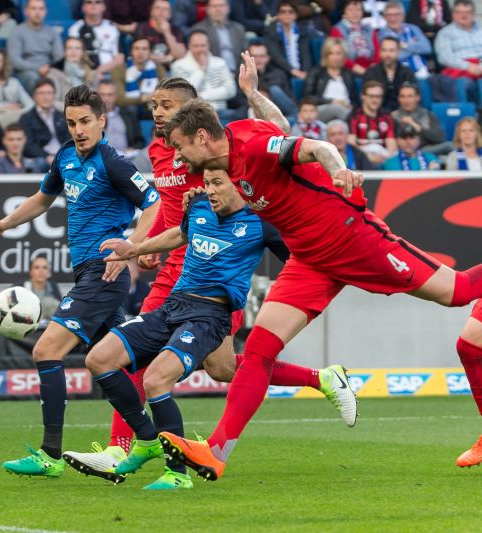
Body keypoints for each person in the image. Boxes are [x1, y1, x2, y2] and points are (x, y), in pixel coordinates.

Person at [158, 51, 482, 481]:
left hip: (351, 238)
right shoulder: (239, 137)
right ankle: (215, 451)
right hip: (308, 259)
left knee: (456, 292)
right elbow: (282, 126)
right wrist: (252, 93)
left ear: (201, 137)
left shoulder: (250, 146)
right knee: (259, 350)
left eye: (179, 147)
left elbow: (315, 146)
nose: (177, 158)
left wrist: (340, 168)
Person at [63, 79, 356, 482]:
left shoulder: (216, 152)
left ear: (193, 116)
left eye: (167, 106)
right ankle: (321, 379)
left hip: (214, 276)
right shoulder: (157, 150)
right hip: (175, 271)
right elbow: (168, 210)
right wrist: (145, 246)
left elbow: (280, 135)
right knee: (198, 365)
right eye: (154, 105)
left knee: (204, 367)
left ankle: (130, 450)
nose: (158, 113)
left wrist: (254, 94)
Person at [0, 84, 160, 478]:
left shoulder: (113, 162)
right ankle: (149, 438)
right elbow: (43, 198)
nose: (78, 129)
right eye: (70, 122)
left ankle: (49, 455)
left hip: (104, 272)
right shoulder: (65, 155)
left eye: (85, 122)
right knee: (107, 363)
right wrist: (6, 222)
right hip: (86, 273)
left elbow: (154, 204)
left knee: (46, 351)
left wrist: (130, 246)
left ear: (102, 121)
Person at [84, 168, 289, 490]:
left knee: (156, 379)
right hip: (172, 305)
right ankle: (148, 439)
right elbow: (180, 234)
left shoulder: (262, 222)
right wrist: (135, 249)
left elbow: (300, 260)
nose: (210, 190)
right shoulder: (198, 206)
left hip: (210, 315)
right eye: (207, 183)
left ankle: (177, 474)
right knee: (99, 358)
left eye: (218, 183)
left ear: (240, 186)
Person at [170, 30, 236, 121]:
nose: (200, 49)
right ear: (189, 46)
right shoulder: (178, 66)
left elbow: (231, 90)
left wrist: (202, 96)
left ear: (208, 45)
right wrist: (201, 70)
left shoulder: (220, 63)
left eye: (203, 45)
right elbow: (184, 93)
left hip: (220, 111)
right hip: (191, 113)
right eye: (196, 46)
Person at [7, 0, 64, 94]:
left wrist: (49, 69)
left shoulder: (52, 33)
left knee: (58, 76)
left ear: (45, 11)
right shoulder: (17, 31)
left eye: (41, 9)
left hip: (48, 69)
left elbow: (59, 57)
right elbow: (14, 60)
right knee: (31, 76)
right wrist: (38, 68)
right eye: (33, 8)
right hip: (26, 71)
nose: (37, 12)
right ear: (26, 11)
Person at [303, 37, 358, 122]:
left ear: (343, 56)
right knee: (339, 110)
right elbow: (308, 97)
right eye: (331, 53)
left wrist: (351, 105)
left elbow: (354, 99)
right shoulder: (316, 72)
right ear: (326, 55)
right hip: (321, 109)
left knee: (341, 122)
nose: (335, 57)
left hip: (345, 110)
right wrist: (331, 102)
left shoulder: (348, 74)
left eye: (338, 53)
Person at [434, 0, 482, 97]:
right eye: (459, 12)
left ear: (473, 14)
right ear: (453, 14)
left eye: (467, 12)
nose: (463, 16)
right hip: (460, 70)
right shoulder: (445, 33)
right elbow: (444, 57)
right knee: (463, 85)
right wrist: (468, 66)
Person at [390, 82, 450, 155]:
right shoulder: (393, 116)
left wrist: (418, 127)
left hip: (426, 149)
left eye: (410, 96)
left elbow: (440, 138)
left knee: (450, 146)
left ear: (417, 98)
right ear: (398, 98)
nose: (406, 100)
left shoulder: (427, 114)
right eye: (402, 96)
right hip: (403, 151)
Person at [111, 37, 165, 118]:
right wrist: (145, 98)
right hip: (129, 110)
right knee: (131, 109)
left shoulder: (158, 68)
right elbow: (119, 99)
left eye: (144, 49)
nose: (140, 53)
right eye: (136, 48)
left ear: (150, 52)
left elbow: (165, 92)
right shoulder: (119, 70)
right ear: (131, 51)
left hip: (153, 106)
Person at [68, 0, 124, 77]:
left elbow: (120, 58)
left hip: (109, 72)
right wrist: (91, 74)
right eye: (89, 2)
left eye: (98, 2)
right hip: (84, 73)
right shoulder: (76, 29)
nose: (93, 5)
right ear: (83, 7)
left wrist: (100, 70)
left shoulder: (112, 28)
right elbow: (72, 56)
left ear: (104, 7)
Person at [19, 79, 71, 163]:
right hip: (42, 158)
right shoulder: (26, 118)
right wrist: (46, 156)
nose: (45, 97)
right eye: (41, 93)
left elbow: (70, 139)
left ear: (54, 96)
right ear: (34, 96)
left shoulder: (63, 116)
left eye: (49, 93)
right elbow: (28, 145)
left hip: (63, 156)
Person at [378, 1, 431, 80]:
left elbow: (427, 48)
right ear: (384, 17)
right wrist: (416, 47)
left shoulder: (413, 28)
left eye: (397, 15)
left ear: (403, 16)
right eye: (389, 15)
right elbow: (393, 56)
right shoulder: (382, 34)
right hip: (399, 74)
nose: (393, 18)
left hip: (422, 70)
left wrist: (405, 45)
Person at [347, 79, 397, 165]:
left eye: (378, 96)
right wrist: (368, 156)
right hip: (362, 158)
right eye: (371, 96)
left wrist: (386, 157)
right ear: (363, 96)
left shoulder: (387, 117)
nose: (375, 100)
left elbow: (391, 144)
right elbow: (351, 143)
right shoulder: (354, 116)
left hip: (383, 157)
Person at [191, 0, 246, 75]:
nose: (218, 9)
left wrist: (241, 73)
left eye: (221, 5)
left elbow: (245, 54)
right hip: (212, 74)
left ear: (228, 8)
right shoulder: (199, 29)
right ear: (207, 9)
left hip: (239, 74)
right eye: (214, 6)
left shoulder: (239, 28)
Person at [362, 36, 416, 112]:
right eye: (384, 50)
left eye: (391, 51)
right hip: (377, 114)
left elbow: (413, 98)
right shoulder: (371, 72)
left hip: (403, 114)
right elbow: (366, 99)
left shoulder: (407, 72)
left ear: (398, 52)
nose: (388, 54)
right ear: (380, 52)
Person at [264, 0, 312, 83]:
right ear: (278, 15)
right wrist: (292, 70)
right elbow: (276, 56)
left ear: (296, 15)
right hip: (280, 70)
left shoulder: (302, 31)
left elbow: (306, 53)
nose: (287, 14)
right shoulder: (271, 31)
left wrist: (305, 71)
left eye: (291, 12)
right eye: (283, 12)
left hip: (301, 70)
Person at [248, 40, 296, 119]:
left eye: (261, 56)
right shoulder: (243, 73)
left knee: (274, 89)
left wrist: (262, 93)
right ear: (248, 58)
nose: (258, 59)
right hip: (254, 110)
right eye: (254, 56)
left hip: (282, 110)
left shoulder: (278, 73)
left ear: (268, 58)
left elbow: (287, 98)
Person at [329, 0, 377, 77]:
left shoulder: (369, 29)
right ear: (344, 12)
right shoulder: (337, 30)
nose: (355, 13)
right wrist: (356, 68)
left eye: (358, 10)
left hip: (372, 69)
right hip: (350, 70)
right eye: (350, 10)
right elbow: (339, 55)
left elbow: (377, 52)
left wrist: (375, 66)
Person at [133, 0, 186, 69]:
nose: (161, 11)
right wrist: (152, 57)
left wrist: (167, 33)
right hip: (147, 68)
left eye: (165, 9)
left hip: (170, 69)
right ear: (151, 12)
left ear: (170, 14)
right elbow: (137, 52)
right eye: (157, 8)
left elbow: (180, 54)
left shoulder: (176, 30)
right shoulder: (142, 28)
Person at [98, 79, 145, 156]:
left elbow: (140, 141)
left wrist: (132, 148)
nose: (106, 98)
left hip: (127, 158)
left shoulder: (128, 114)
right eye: (102, 94)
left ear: (116, 96)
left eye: (110, 94)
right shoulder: (91, 117)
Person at [45, 37, 95, 105]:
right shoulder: (54, 73)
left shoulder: (92, 73)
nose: (73, 51)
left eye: (77, 48)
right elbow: (53, 102)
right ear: (65, 51)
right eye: (70, 48)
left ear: (82, 52)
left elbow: (96, 101)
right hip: (65, 112)